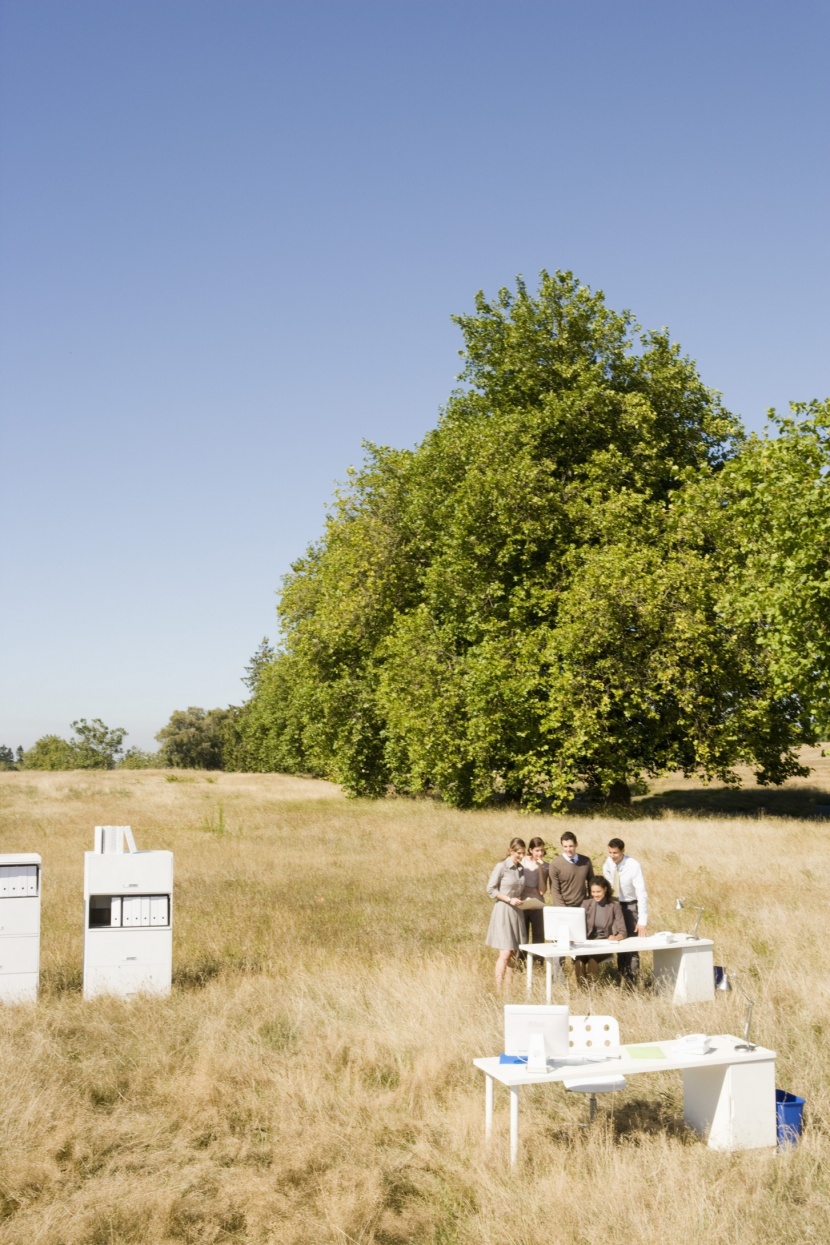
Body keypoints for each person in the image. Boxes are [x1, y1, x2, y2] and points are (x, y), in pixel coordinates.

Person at [602, 837, 648, 984]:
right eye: (610, 852)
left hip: (630, 905)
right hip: (615, 904)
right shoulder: (608, 863)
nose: (612, 856)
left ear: (622, 851)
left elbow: (641, 893)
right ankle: (620, 976)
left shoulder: (633, 865)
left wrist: (642, 921)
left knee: (632, 945)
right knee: (618, 942)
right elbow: (608, 884)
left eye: (615, 853)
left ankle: (631, 981)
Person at [485, 838, 528, 990]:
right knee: (505, 952)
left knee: (514, 953)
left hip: (517, 912)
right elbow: (491, 889)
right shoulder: (501, 867)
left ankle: (508, 990)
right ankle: (498, 989)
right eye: (518, 853)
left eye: (523, 853)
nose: (521, 856)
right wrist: (509, 899)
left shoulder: (522, 869)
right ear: (510, 851)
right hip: (504, 911)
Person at [575, 876, 626, 986]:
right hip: (588, 943)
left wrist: (616, 937)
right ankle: (582, 990)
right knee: (579, 958)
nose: (595, 895)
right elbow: (577, 925)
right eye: (593, 892)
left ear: (605, 889)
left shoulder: (614, 905)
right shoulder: (586, 904)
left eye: (598, 891)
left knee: (592, 958)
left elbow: (623, 931)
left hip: (604, 944)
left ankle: (590, 990)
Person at [548, 832, 594, 909]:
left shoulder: (586, 861)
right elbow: (555, 891)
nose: (568, 849)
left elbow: (592, 883)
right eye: (565, 846)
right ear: (562, 846)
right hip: (564, 907)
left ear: (576, 844)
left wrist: (590, 903)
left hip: (583, 906)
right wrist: (563, 909)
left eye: (571, 846)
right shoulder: (555, 865)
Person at [520, 837, 549, 945]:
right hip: (522, 903)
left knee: (539, 937)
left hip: (537, 904)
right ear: (531, 850)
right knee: (523, 936)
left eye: (542, 850)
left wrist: (540, 869)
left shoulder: (546, 866)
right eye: (537, 850)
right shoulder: (523, 861)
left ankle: (538, 962)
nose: (540, 853)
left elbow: (541, 891)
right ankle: (521, 961)